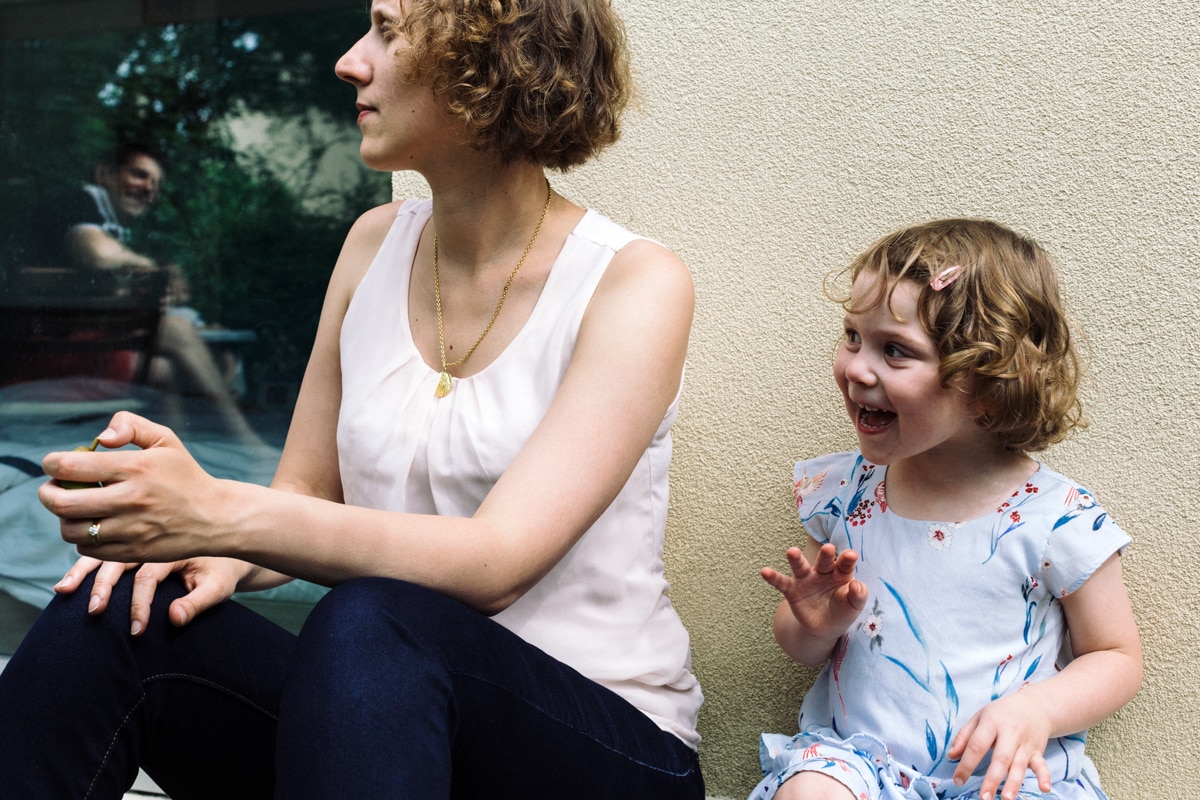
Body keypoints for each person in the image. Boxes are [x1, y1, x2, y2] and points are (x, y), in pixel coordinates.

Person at [0, 0, 705, 798]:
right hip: (376, 720)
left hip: (597, 746)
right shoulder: (373, 242)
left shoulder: (634, 283)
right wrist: (206, 546)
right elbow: (305, 490)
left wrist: (221, 512)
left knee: (371, 617)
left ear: (488, 59)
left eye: (387, 30)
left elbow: (497, 562)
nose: (349, 61)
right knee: (116, 609)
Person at [749, 219, 1141, 800]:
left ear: (988, 382)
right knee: (809, 791)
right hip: (862, 766)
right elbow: (802, 647)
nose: (856, 367)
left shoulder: (1054, 518)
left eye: (894, 350)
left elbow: (1116, 656)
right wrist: (815, 624)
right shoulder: (846, 493)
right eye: (853, 336)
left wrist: (1039, 710)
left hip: (1001, 781)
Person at [8, 142, 259, 441]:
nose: (149, 189)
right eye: (139, 175)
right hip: (35, 358)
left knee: (184, 360)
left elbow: (98, 292)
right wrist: (151, 268)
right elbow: (97, 253)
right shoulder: (82, 200)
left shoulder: (108, 223)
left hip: (63, 348)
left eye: (156, 184)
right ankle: (245, 441)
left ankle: (176, 455)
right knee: (182, 341)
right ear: (104, 174)